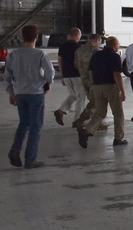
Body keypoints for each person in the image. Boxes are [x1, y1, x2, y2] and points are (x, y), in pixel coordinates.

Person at [5, 24, 54, 169]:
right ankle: (30, 159)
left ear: (22, 37)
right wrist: (47, 84)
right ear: (36, 37)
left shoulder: (13, 55)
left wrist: (11, 93)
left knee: (24, 123)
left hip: (20, 94)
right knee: (36, 126)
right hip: (36, 94)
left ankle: (15, 149)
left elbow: (7, 76)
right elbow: (50, 72)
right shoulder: (40, 54)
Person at [77, 36, 128, 148]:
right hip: (110, 87)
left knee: (100, 112)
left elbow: (90, 71)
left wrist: (93, 85)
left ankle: (87, 131)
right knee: (118, 113)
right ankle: (118, 138)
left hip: (97, 86)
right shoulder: (114, 56)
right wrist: (122, 91)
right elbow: (117, 74)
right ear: (114, 45)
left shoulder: (96, 55)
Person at [54, 27, 85, 126]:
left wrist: (63, 75)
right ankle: (78, 120)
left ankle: (62, 110)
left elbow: (60, 61)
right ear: (76, 35)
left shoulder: (62, 47)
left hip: (66, 75)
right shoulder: (79, 47)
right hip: (77, 75)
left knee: (73, 95)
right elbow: (82, 62)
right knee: (81, 97)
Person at [71, 33, 101, 128]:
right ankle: (85, 121)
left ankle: (87, 121)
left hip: (83, 78)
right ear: (96, 41)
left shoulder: (79, 50)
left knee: (93, 100)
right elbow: (97, 66)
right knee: (97, 101)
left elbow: (76, 64)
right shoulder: (95, 51)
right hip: (93, 79)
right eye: (99, 42)